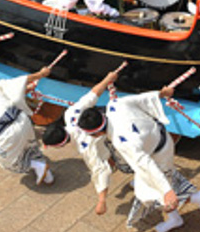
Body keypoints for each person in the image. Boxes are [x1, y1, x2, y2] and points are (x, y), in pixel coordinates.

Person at [77, 83, 200, 232]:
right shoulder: (115, 104)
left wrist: (166, 190)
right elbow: (141, 99)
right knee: (153, 185)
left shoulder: (122, 142)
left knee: (150, 194)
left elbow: (145, 164)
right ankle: (174, 215)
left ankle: (197, 198)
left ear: (97, 133)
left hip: (158, 155)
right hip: (159, 137)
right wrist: (160, 93)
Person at [41, 67, 132, 215]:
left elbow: (99, 170)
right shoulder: (70, 114)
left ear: (62, 144)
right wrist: (108, 79)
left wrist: (102, 200)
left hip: (119, 132)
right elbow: (92, 95)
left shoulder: (85, 146)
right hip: (111, 113)